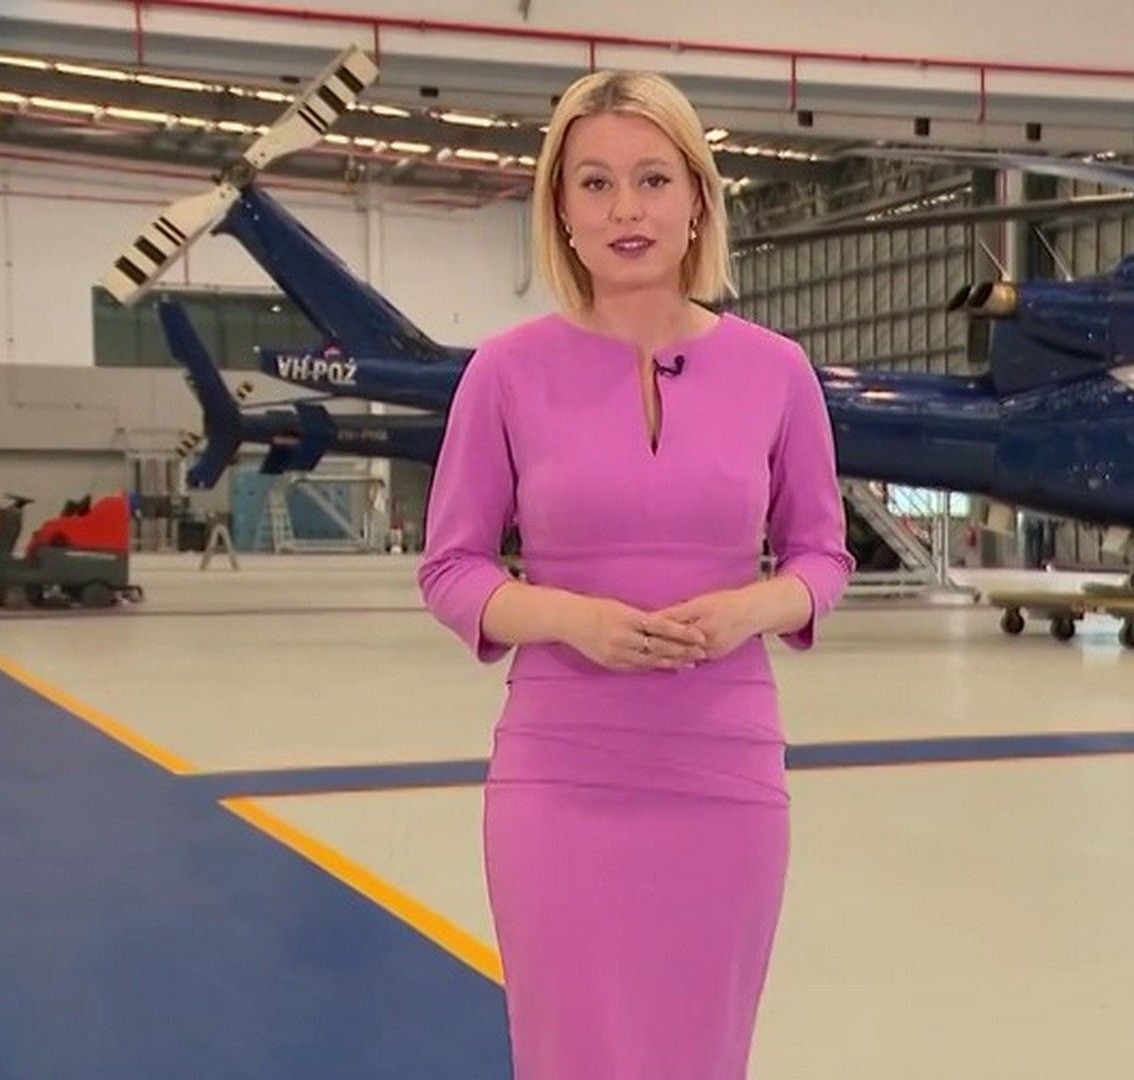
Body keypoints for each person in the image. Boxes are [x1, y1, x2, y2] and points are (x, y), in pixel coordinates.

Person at [416, 69, 854, 1079]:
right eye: (596, 183)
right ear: (561, 211)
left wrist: (753, 607)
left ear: (697, 198)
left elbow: (822, 556)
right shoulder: (503, 372)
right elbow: (451, 568)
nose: (626, 209)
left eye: (654, 179)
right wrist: (570, 619)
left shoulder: (779, 372)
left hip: (724, 772)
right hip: (561, 774)